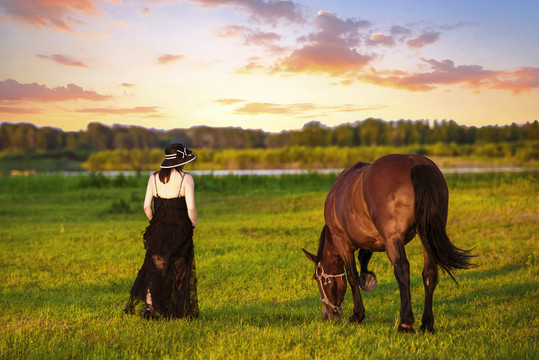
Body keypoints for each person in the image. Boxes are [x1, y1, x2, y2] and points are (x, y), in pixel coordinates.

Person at [125, 143, 199, 319]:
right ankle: (179, 311)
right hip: (180, 230)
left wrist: (155, 223)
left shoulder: (153, 178)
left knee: (156, 270)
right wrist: (192, 225)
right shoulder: (186, 179)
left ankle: (150, 309)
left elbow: (146, 207)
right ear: (181, 161)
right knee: (181, 270)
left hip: (158, 230)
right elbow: (191, 209)